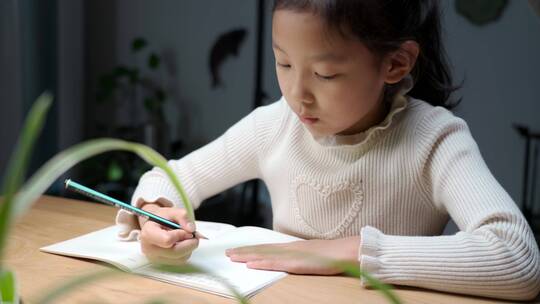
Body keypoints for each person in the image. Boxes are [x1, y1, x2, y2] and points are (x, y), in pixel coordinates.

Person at [116, 0, 540, 300]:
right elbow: (171, 175)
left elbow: (516, 257)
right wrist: (156, 210)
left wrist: (348, 251)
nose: (297, 95)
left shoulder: (433, 139)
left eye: (325, 74)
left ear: (396, 64)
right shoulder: (277, 124)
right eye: (283, 63)